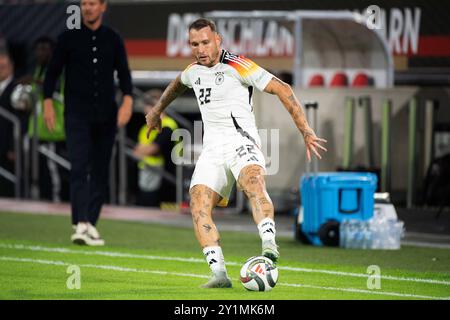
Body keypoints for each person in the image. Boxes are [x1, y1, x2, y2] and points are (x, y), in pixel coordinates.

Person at [145, 18, 327, 288]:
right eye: (194, 44)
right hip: (212, 150)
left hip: (241, 141)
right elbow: (176, 85)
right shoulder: (193, 71)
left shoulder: (238, 65)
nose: (200, 49)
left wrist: (306, 130)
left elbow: (283, 88)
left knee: (253, 184)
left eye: (205, 42)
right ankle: (219, 274)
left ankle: (269, 246)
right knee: (198, 204)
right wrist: (157, 110)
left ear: (217, 40)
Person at [43, 0, 133, 246]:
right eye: (84, 3)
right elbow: (52, 73)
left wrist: (127, 101)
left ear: (103, 7)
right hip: (76, 115)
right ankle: (79, 222)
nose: (88, 8)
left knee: (102, 171)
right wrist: (47, 102)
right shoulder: (68, 38)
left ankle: (91, 223)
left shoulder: (113, 38)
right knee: (80, 167)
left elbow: (124, 74)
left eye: (93, 3)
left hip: (106, 116)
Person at [28, 36, 67, 202]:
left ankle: (57, 205)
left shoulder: (59, 70)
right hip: (38, 130)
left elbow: (53, 89)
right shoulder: (39, 69)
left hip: (55, 132)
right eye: (38, 49)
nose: (40, 53)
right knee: (39, 174)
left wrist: (34, 81)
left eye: (44, 49)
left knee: (55, 174)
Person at [133, 89, 179, 207]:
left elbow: (153, 149)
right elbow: (136, 150)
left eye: (148, 106)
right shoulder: (145, 128)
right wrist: (145, 150)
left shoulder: (168, 125)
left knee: (162, 212)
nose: (145, 110)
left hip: (169, 177)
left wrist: (145, 150)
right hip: (149, 173)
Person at [0, 51, 16, 197]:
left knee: (8, 184)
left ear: (11, 67)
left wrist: (14, 146)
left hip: (7, 146)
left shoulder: (17, 87)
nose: (0, 70)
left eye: (3, 67)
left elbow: (21, 121)